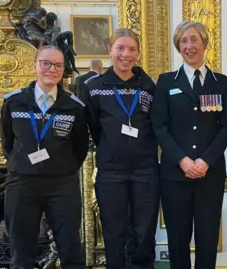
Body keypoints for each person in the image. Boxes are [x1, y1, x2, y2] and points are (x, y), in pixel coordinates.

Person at [152, 20, 227, 269]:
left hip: (210, 174)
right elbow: (160, 126)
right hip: (175, 174)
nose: (189, 46)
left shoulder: (222, 82)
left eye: (194, 39)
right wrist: (183, 160)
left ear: (205, 43)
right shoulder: (166, 82)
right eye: (184, 41)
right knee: (177, 239)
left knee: (208, 238)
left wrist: (205, 160)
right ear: (178, 46)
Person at [0, 45, 89, 269]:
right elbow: (7, 142)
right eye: (46, 63)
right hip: (22, 183)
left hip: (62, 185)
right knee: (21, 253)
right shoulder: (14, 102)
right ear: (35, 66)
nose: (52, 69)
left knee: (71, 250)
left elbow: (80, 148)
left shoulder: (74, 107)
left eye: (58, 65)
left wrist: (61, 167)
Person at [82, 28, 159, 269]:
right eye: (120, 48)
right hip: (111, 172)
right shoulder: (92, 86)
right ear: (110, 51)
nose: (126, 54)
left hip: (146, 172)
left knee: (144, 234)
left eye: (132, 49)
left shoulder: (149, 85)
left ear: (138, 53)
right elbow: (94, 127)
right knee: (114, 234)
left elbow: (155, 125)